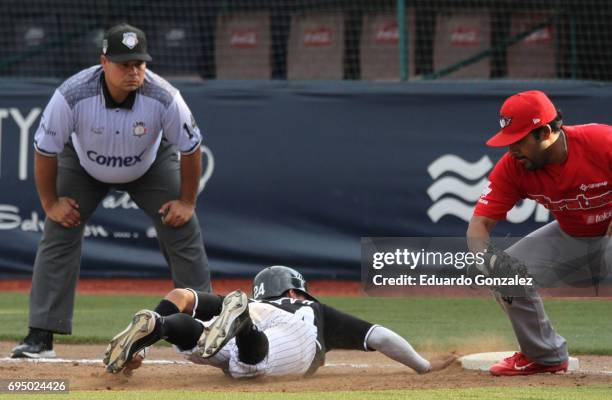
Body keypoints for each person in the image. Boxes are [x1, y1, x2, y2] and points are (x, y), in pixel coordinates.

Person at [10, 23, 212, 359]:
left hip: (148, 165)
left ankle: (205, 329)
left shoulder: (164, 96)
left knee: (183, 228)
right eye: (124, 64)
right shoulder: (72, 94)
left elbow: (191, 147)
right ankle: (40, 337)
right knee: (60, 228)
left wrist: (187, 202)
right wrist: (50, 202)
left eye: (140, 64)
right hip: (84, 165)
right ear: (104, 62)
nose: (133, 72)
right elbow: (45, 149)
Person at [467, 90, 611, 376]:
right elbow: (479, 225)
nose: (511, 151)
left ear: (544, 132)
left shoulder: (601, 141)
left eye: (518, 141)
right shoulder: (514, 167)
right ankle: (545, 356)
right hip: (572, 235)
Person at [103, 265, 456, 377]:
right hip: (289, 333)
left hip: (247, 312)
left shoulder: (256, 301)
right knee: (248, 364)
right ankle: (242, 326)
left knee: (203, 344)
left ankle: (157, 326)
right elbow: (380, 336)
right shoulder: (315, 311)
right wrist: (423, 366)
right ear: (299, 290)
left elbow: (181, 295)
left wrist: (145, 346)